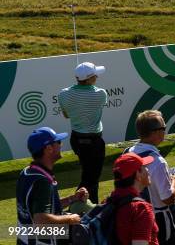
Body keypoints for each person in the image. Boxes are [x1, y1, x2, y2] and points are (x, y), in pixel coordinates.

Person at [16, 127, 88, 245]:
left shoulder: (27, 172)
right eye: (58, 142)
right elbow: (41, 221)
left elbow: (43, 207)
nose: (61, 145)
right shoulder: (42, 181)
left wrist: (72, 198)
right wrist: (71, 219)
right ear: (49, 148)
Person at [124, 110, 175, 245]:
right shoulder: (158, 161)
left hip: (132, 216)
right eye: (163, 128)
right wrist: (174, 181)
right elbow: (168, 199)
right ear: (154, 132)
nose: (165, 131)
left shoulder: (127, 152)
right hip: (157, 219)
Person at [58, 61, 107, 203]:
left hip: (76, 140)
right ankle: (76, 203)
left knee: (90, 174)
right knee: (90, 178)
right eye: (95, 76)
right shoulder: (100, 94)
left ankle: (92, 205)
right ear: (90, 78)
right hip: (94, 142)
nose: (97, 78)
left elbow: (67, 115)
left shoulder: (64, 94)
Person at [111, 152, 159, 245]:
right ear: (138, 175)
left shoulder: (109, 201)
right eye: (144, 167)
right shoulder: (141, 209)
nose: (148, 170)